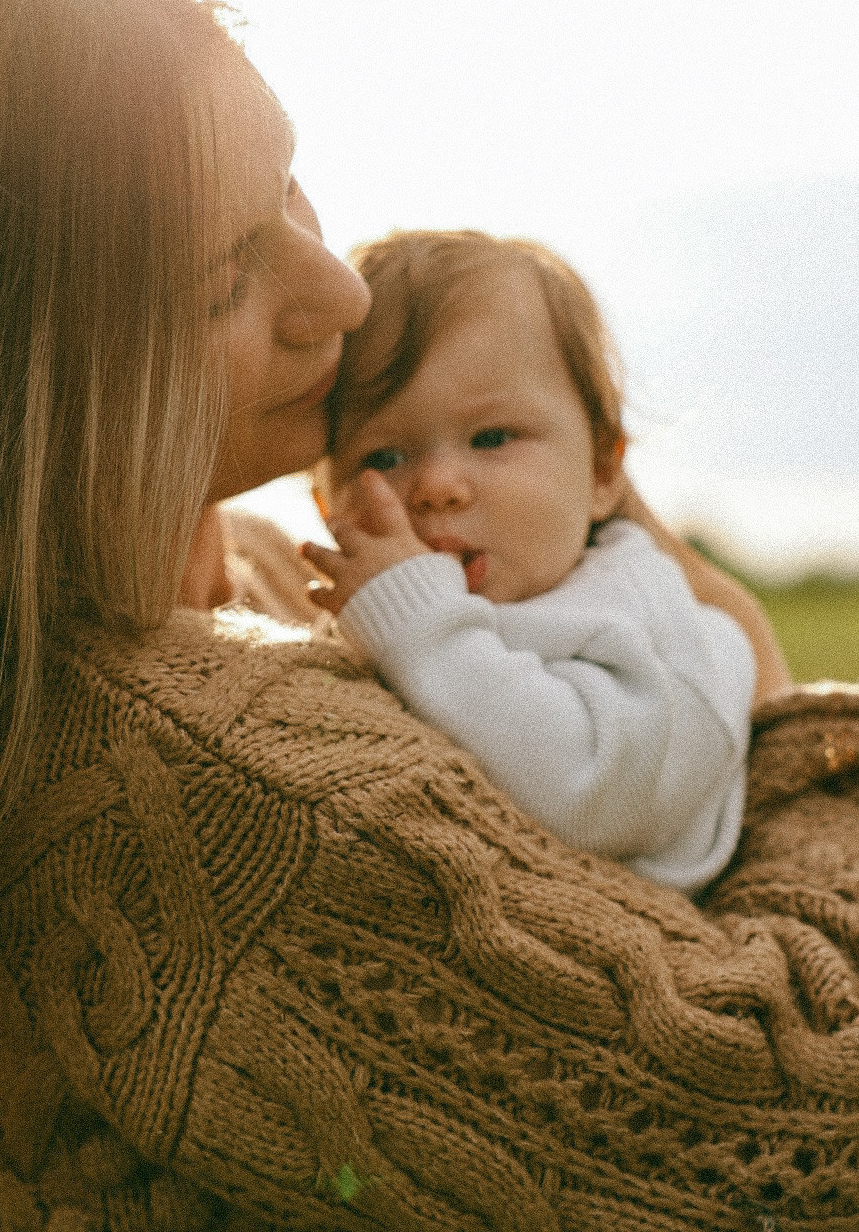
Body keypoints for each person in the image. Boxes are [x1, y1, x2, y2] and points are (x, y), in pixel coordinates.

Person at [0, 0, 859, 1232]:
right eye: (229, 274)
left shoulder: (202, 613)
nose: (338, 297)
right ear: (30, 384)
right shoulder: (215, 793)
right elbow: (818, 1182)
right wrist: (785, 745)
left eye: (289, 183)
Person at [303, 230, 755, 894]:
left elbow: (593, 794)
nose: (436, 486)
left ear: (603, 472)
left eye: (491, 438)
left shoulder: (650, 624)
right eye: (384, 458)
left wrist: (421, 626)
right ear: (326, 507)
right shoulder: (359, 627)